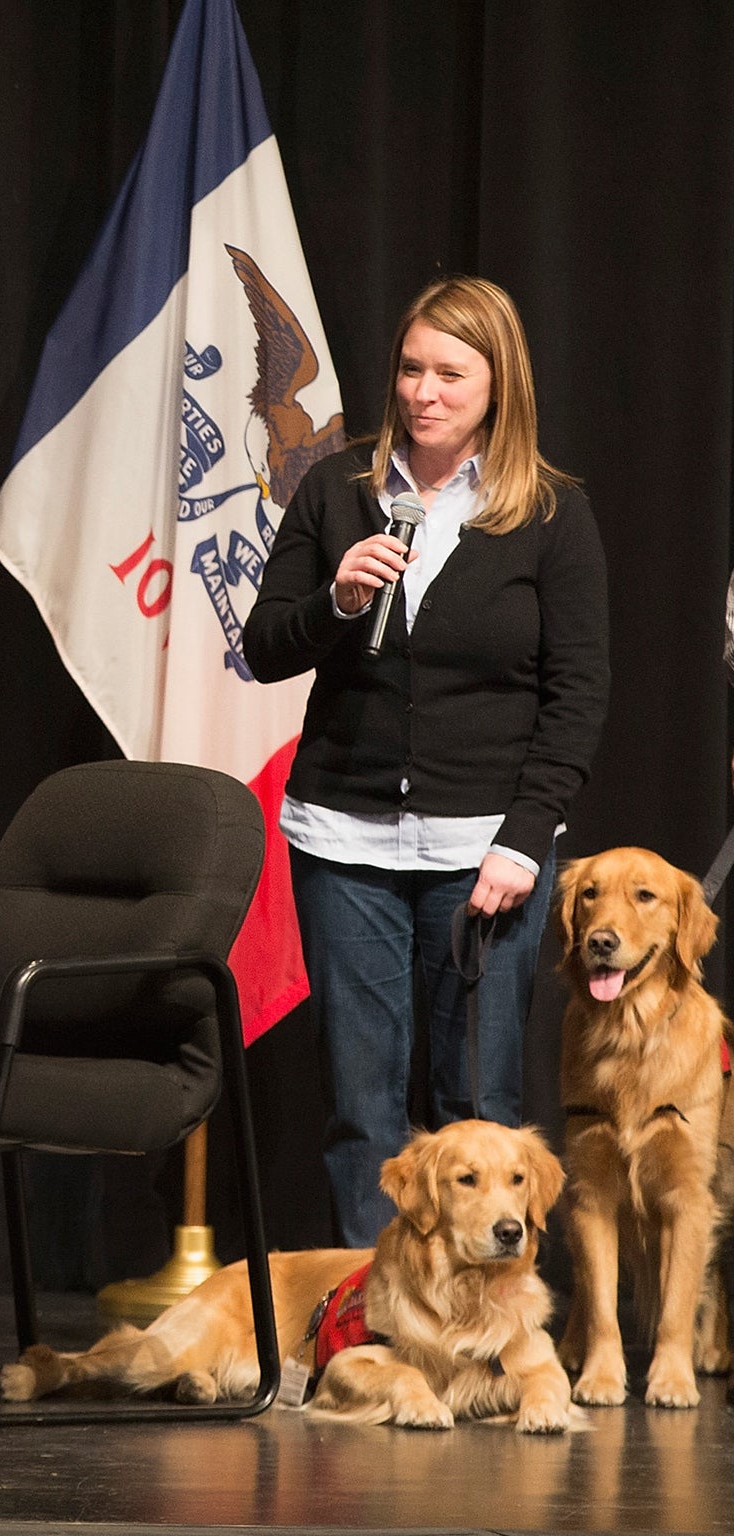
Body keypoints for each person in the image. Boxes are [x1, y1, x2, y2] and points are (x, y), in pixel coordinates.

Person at [243, 275, 608, 1247]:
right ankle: (371, 1326)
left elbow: (575, 696)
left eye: (449, 373)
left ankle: (480, 1337)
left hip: (483, 857)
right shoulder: (336, 488)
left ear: (498, 386)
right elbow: (263, 646)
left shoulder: (546, 513)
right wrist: (335, 603)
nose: (422, 393)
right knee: (362, 1107)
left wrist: (523, 841)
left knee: (477, 1104)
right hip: (342, 843)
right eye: (409, 369)